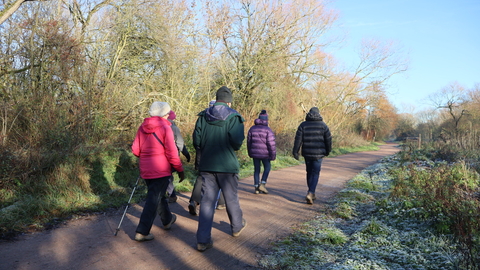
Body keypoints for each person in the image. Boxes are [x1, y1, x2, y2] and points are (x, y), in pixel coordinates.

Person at [193, 86, 246, 251]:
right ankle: (236, 226)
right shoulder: (234, 117)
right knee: (231, 198)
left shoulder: (203, 116)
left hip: (207, 165)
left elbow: (197, 142)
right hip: (227, 166)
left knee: (207, 202)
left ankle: (203, 240)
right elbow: (237, 143)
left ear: (216, 99)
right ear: (229, 101)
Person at [131, 101, 185, 241]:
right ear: (163, 115)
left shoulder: (142, 127)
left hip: (146, 169)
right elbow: (172, 153)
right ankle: (142, 231)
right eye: (167, 114)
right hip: (161, 169)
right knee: (153, 199)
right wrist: (180, 169)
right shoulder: (166, 128)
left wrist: (147, 157)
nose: (168, 116)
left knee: (158, 195)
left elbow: (135, 150)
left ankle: (167, 220)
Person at [188, 100, 226, 216]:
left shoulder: (202, 118)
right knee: (221, 176)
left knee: (201, 177)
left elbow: (196, 137)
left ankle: (194, 201)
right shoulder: (223, 118)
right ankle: (220, 202)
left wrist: (199, 147)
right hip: (217, 153)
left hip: (202, 151)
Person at [292, 107, 332, 205]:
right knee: (315, 173)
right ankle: (311, 192)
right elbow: (328, 140)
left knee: (309, 172)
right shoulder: (323, 126)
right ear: (319, 114)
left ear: (309, 114)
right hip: (318, 154)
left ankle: (311, 191)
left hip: (307, 153)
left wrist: (295, 152)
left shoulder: (303, 125)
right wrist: (328, 151)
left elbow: (298, 140)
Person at [247, 109, 276, 194]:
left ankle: (256, 187)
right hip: (265, 154)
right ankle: (262, 184)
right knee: (267, 167)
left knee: (257, 169)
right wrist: (273, 155)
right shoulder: (268, 130)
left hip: (255, 154)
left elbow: (249, 142)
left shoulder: (252, 129)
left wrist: (250, 152)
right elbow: (271, 144)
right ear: (266, 120)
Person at [166, 110, 191, 203]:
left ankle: (170, 194)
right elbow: (180, 143)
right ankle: (171, 195)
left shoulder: (157, 126)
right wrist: (185, 153)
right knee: (168, 175)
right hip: (172, 155)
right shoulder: (174, 128)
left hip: (159, 157)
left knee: (166, 176)